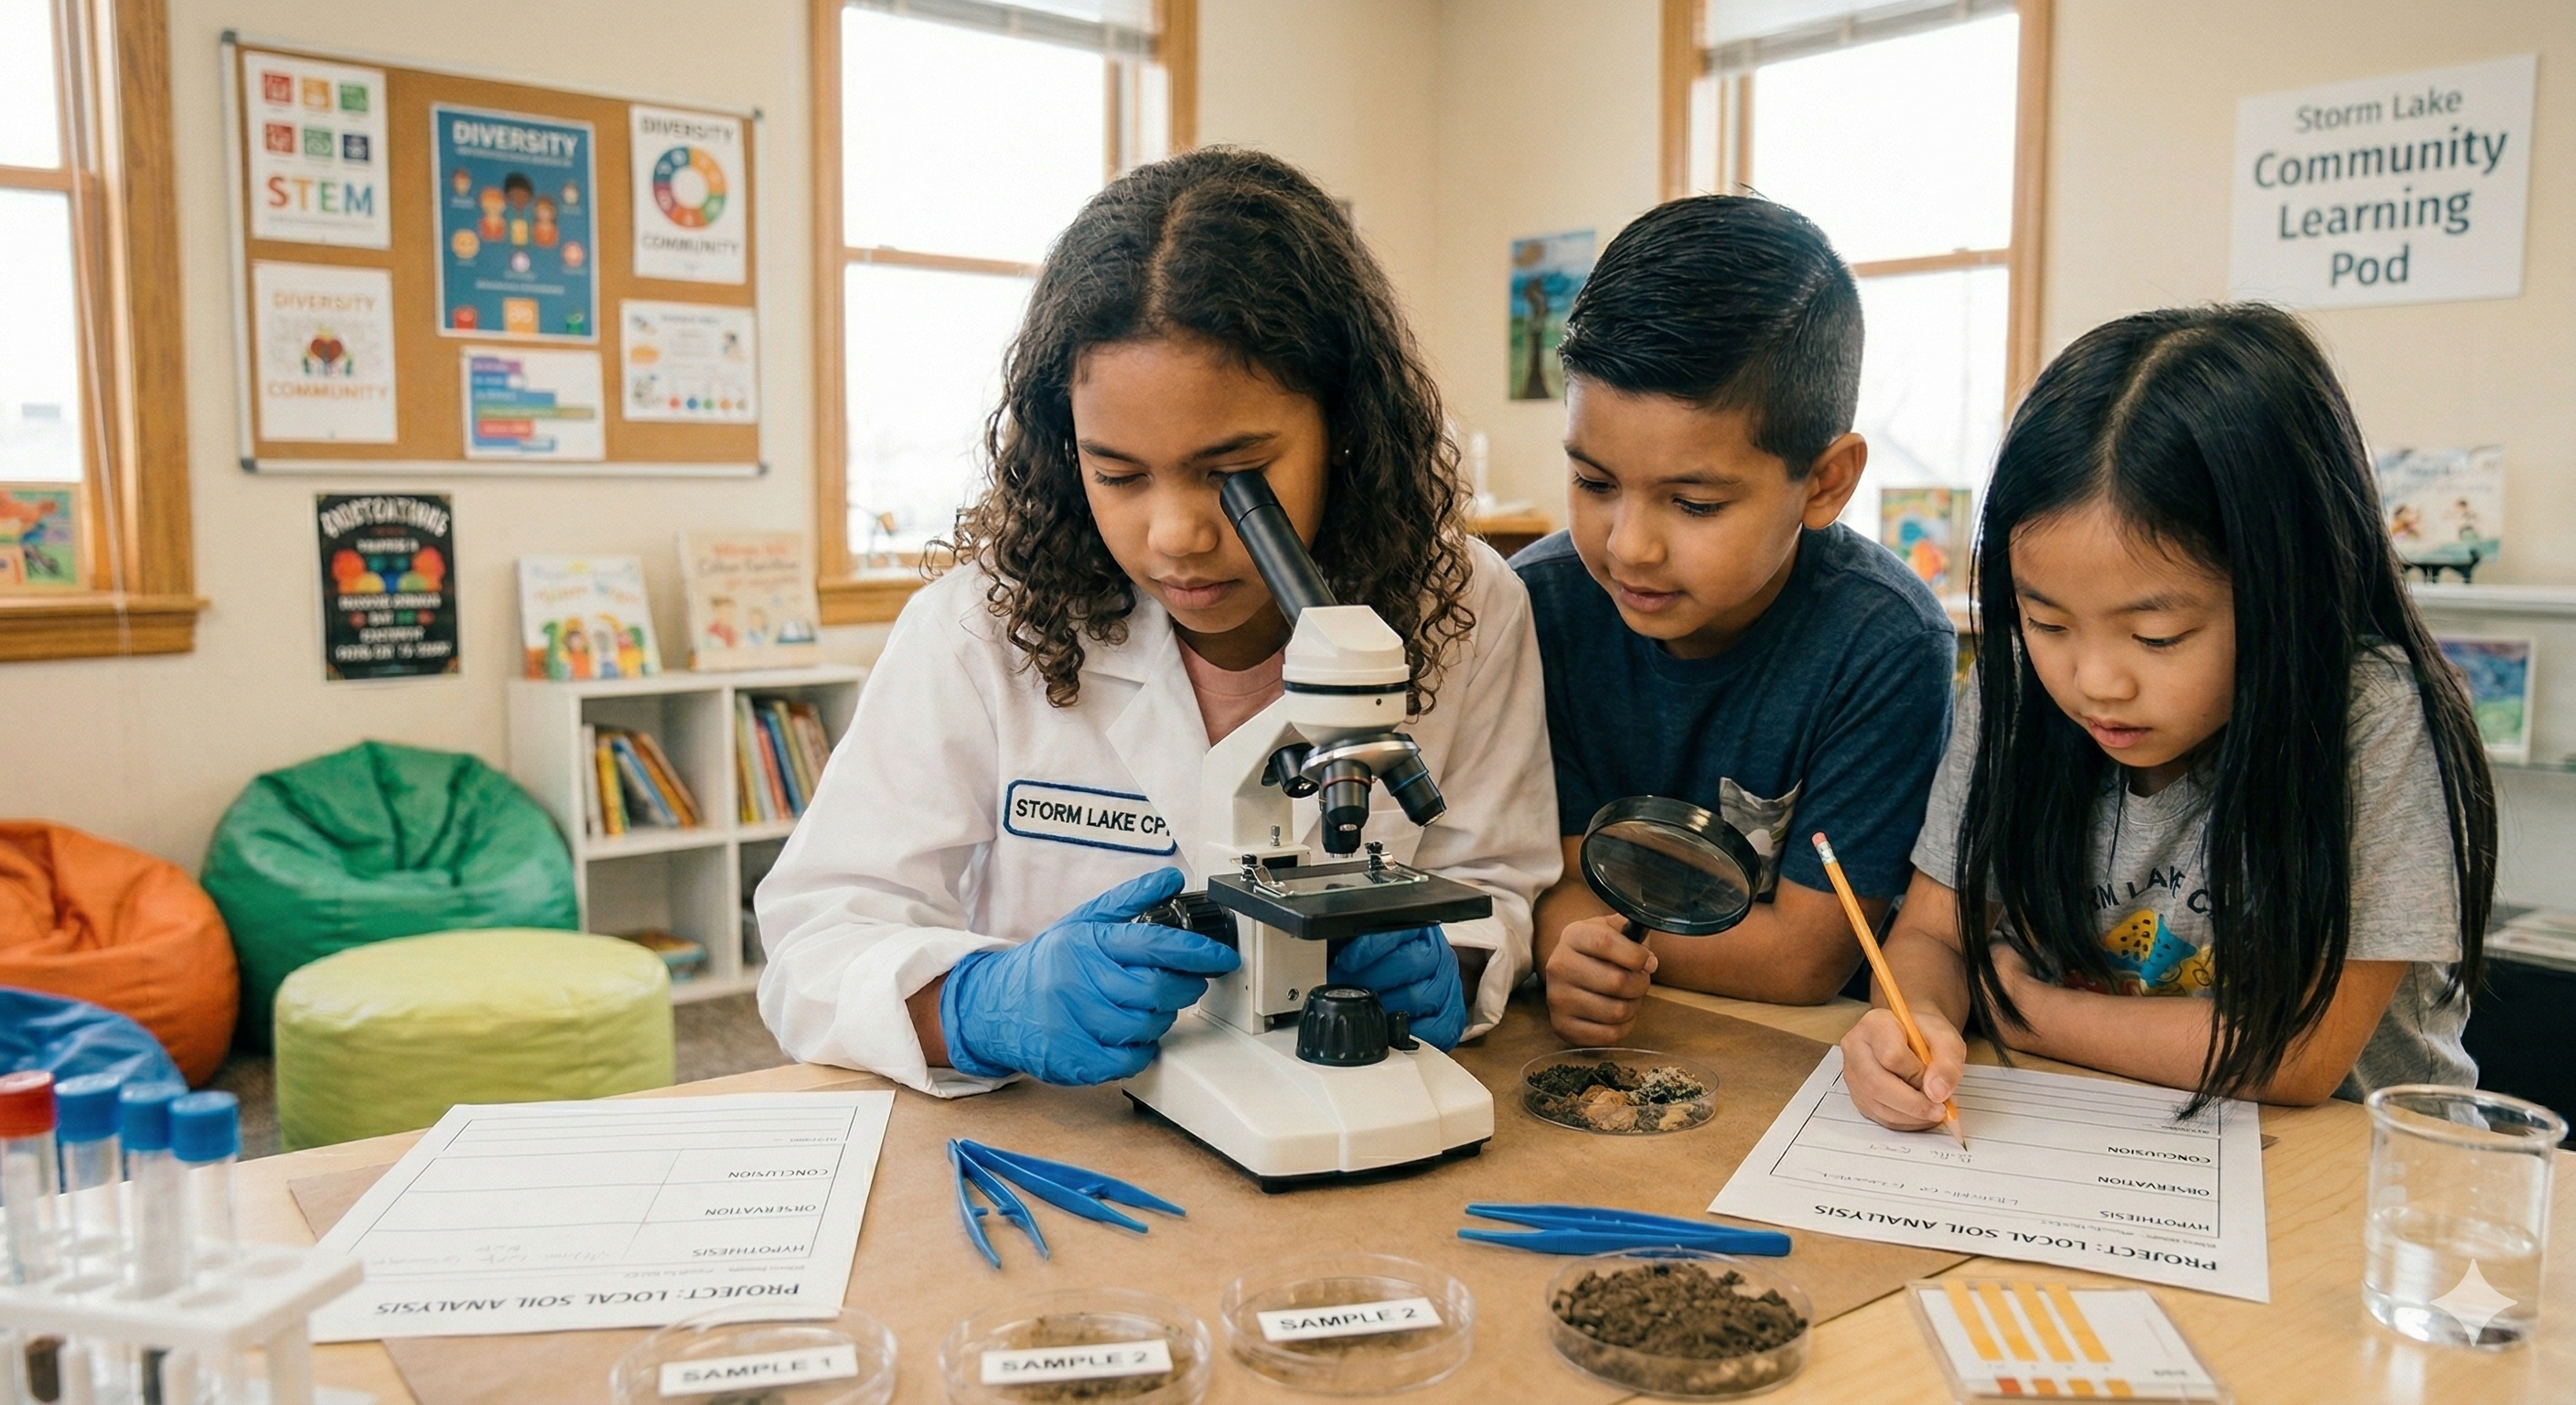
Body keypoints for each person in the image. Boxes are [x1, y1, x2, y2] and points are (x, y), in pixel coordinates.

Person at [757, 147, 1560, 1096]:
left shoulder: (1462, 604)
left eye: (1234, 471)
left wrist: (1440, 967)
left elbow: (1494, 885)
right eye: (1118, 474)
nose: (1174, 536)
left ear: (1343, 424)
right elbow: (818, 944)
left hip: (1335, 1105)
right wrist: (985, 1003)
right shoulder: (978, 628)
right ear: (1066, 452)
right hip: (1060, 1130)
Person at [1841, 304, 2496, 1130]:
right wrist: (1915, 1022)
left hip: (2352, 1176)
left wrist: (2013, 1006)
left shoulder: (2369, 715)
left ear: (2287, 592)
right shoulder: (2014, 688)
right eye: (2048, 623)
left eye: (2158, 635)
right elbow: (1934, 940)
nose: (2095, 682)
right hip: (2100, 1140)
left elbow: (2295, 1054)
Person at [1513, 196, 1955, 1045]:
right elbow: (1544, 880)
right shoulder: (1536, 607)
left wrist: (1572, 930)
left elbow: (1801, 960)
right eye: (1594, 484)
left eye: (1694, 502)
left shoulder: (1886, 643)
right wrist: (1559, 931)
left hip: (1795, 1055)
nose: (1630, 547)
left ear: (1825, 482)